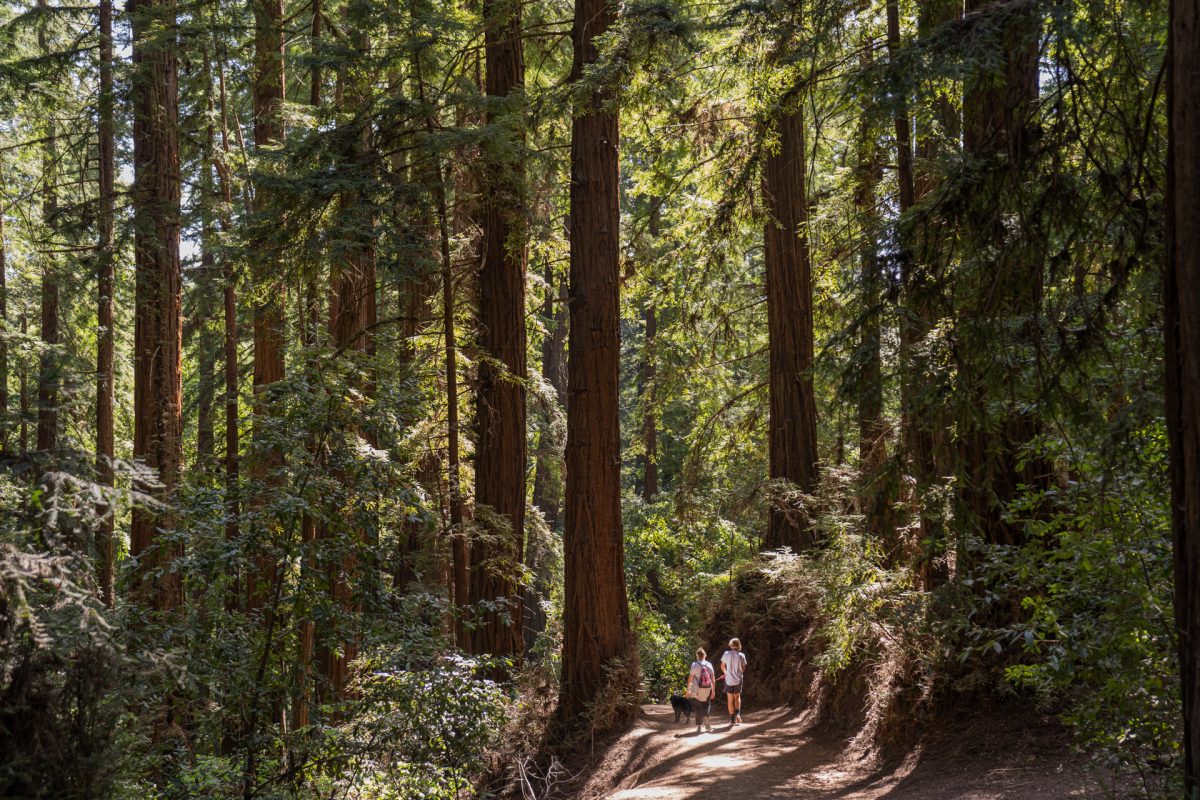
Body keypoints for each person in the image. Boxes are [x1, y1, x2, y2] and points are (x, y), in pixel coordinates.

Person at [685, 647, 717, 733]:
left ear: (697, 656)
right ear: (705, 655)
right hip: (707, 688)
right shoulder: (709, 665)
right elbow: (713, 679)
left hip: (696, 689)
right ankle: (706, 719)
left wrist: (688, 690)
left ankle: (699, 726)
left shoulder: (694, 665)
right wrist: (713, 691)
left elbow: (690, 679)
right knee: (706, 704)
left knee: (698, 706)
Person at [720, 637, 747, 725]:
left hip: (728, 680)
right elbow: (743, 668)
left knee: (730, 699)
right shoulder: (741, 655)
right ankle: (738, 714)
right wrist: (738, 673)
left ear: (731, 645)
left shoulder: (726, 653)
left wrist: (726, 673)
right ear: (739, 645)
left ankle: (732, 720)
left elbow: (722, 666)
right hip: (738, 679)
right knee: (737, 696)